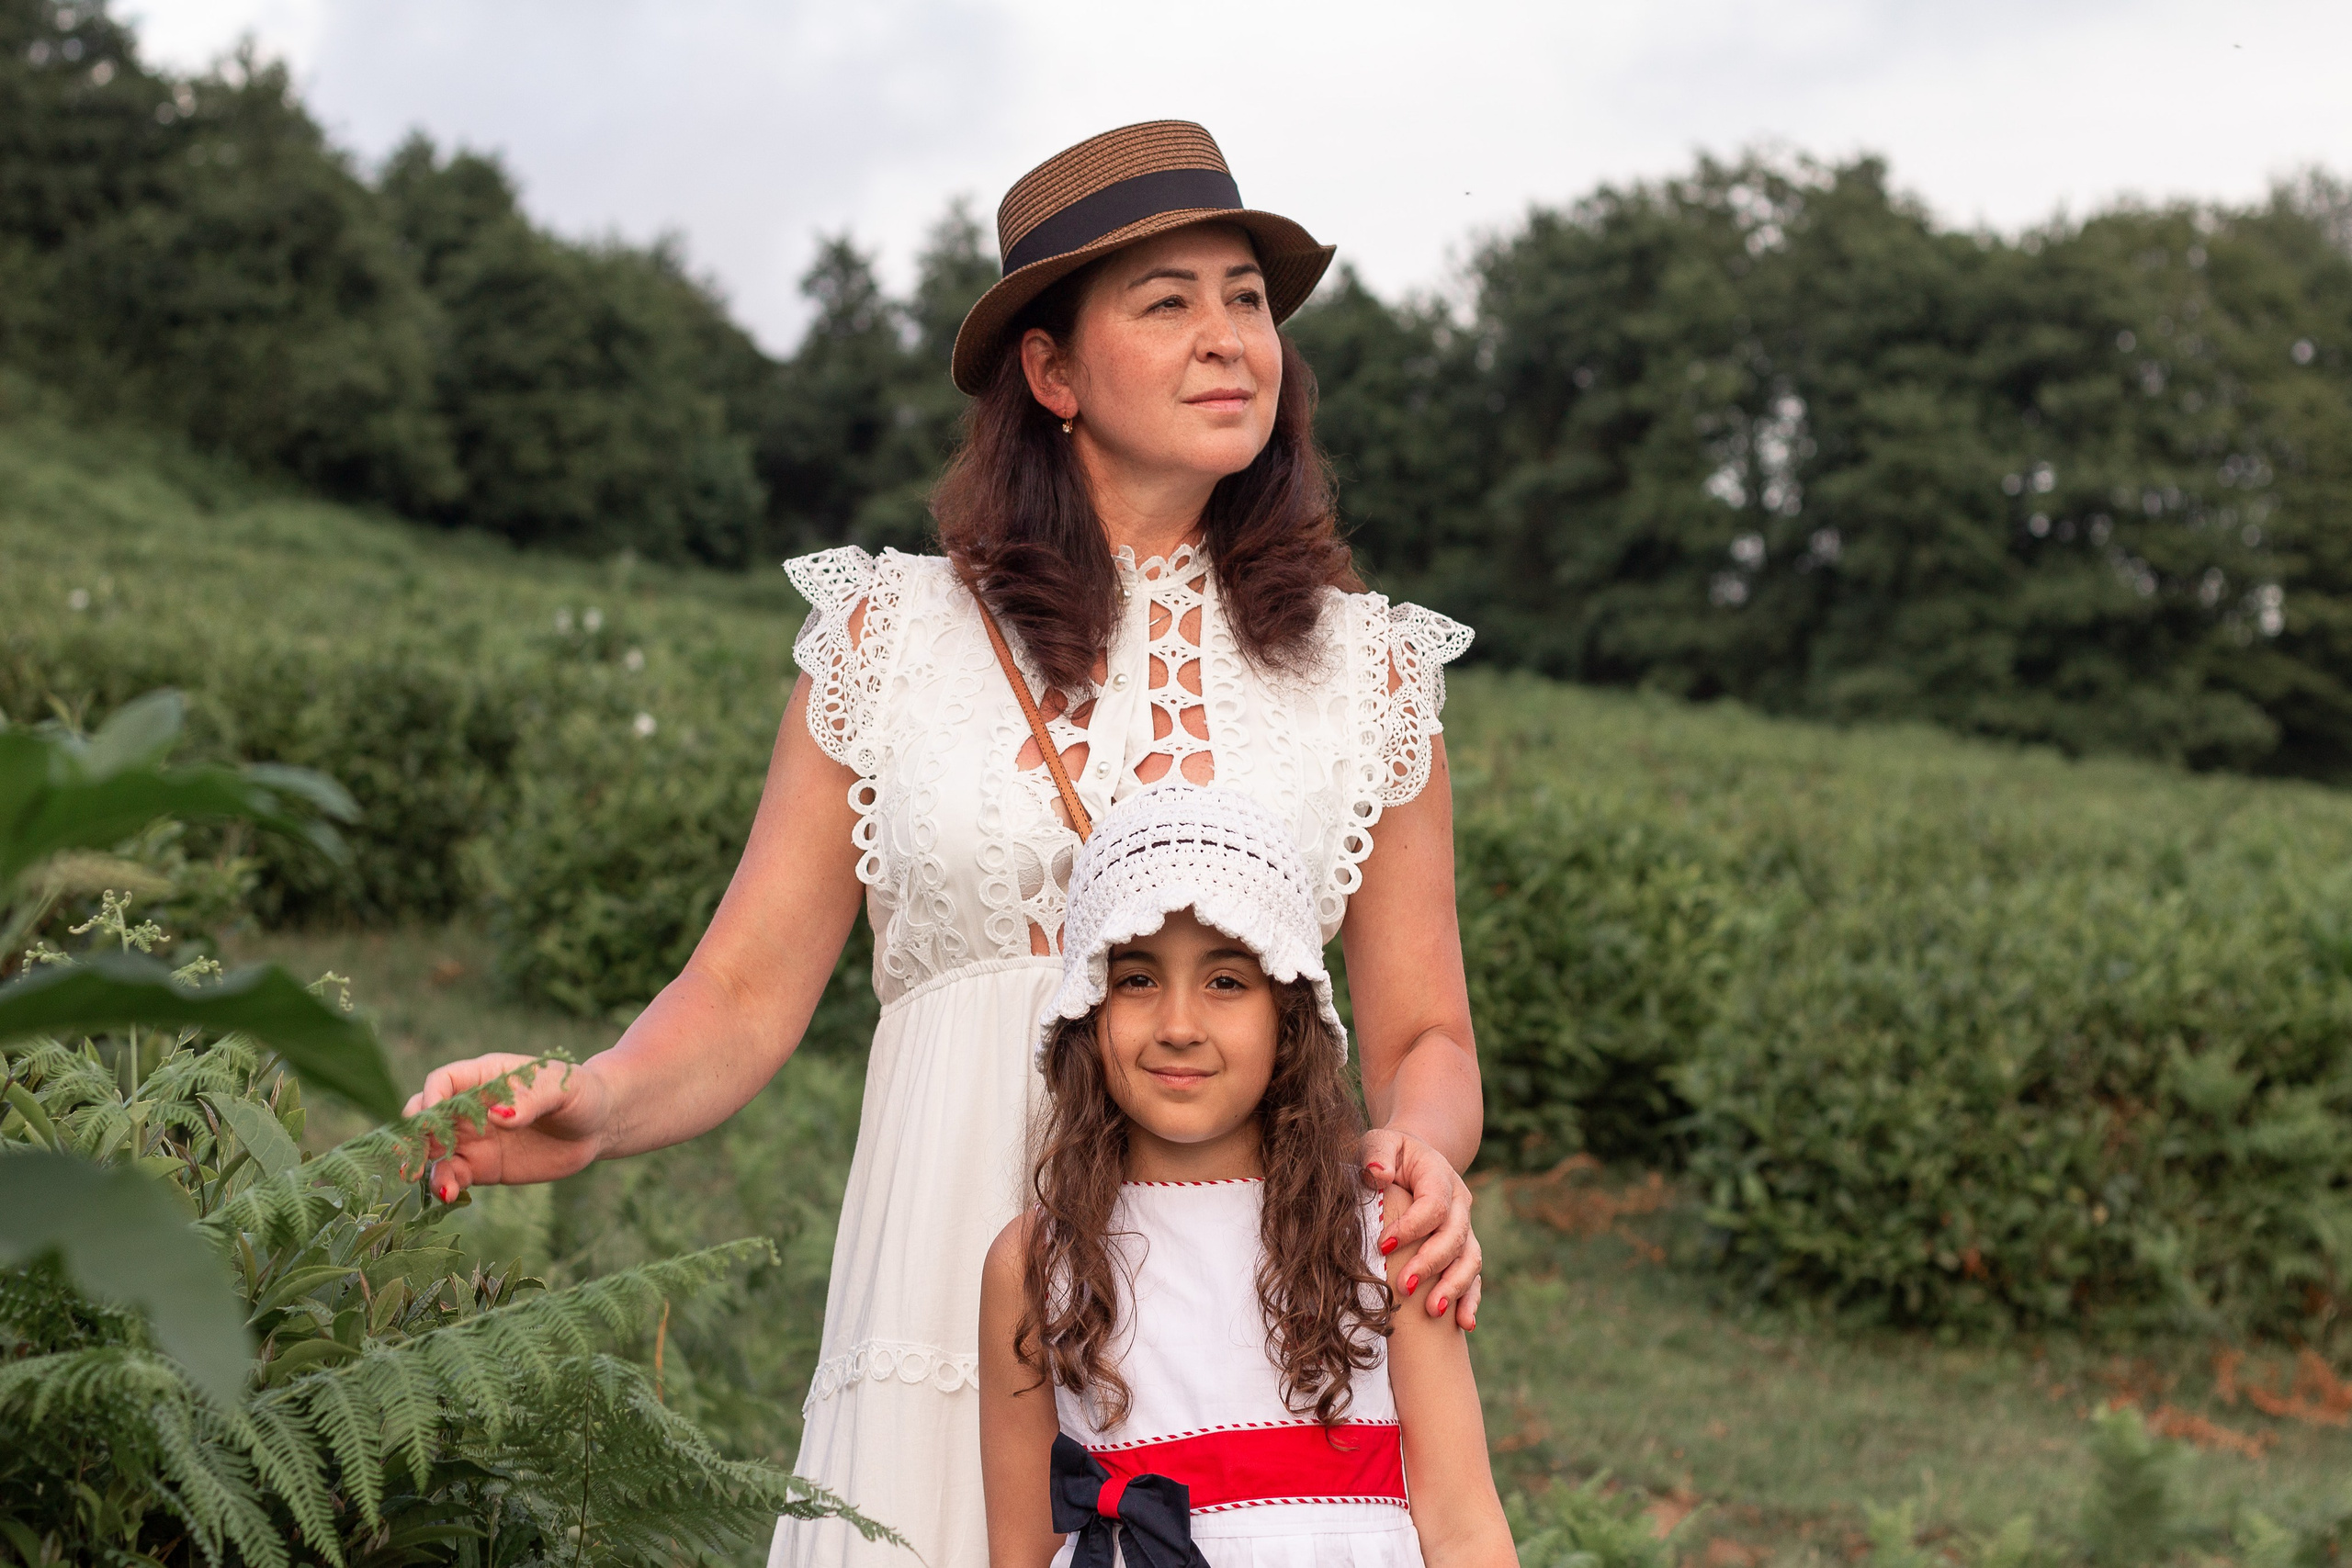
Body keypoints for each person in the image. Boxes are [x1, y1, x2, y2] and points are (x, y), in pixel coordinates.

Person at [402, 120, 1486, 1568]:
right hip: (937, 1284)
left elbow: (1429, 1033)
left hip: (1253, 1324)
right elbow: (738, 994)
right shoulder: (885, 638)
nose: (1231, 337)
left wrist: (1414, 1159)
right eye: (1167, 302)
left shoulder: (1370, 670)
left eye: (1247, 296)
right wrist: (593, 1099)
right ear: (1051, 371)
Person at [979, 788, 1514, 1568]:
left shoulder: (1385, 1236)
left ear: (1287, 1015)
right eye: (1137, 979)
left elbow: (1466, 1529)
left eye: (1226, 980)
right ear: (1088, 1009)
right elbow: (1021, 1550)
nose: (1179, 1024)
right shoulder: (1034, 1263)